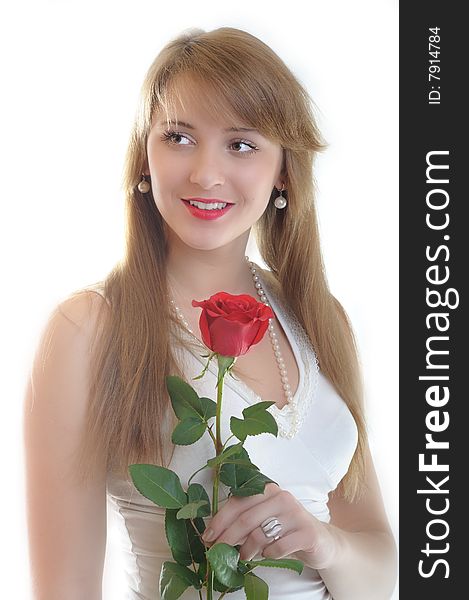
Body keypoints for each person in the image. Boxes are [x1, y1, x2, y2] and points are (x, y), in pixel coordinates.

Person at [23, 27, 397, 599]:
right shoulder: (89, 330)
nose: (204, 173)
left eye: (241, 144)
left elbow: (381, 570)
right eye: (178, 137)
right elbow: (64, 590)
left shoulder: (322, 322)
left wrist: (324, 542)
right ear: (144, 155)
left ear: (283, 173)